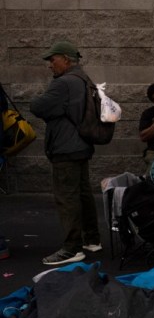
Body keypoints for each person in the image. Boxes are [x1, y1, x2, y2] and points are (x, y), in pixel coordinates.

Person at [30, 40, 102, 265]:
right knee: (82, 193)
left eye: (53, 60)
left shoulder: (63, 83)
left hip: (65, 147)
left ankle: (72, 248)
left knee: (67, 198)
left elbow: (38, 107)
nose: (50, 65)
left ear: (66, 59)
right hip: (81, 145)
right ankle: (92, 239)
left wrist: (42, 102)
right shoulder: (84, 79)